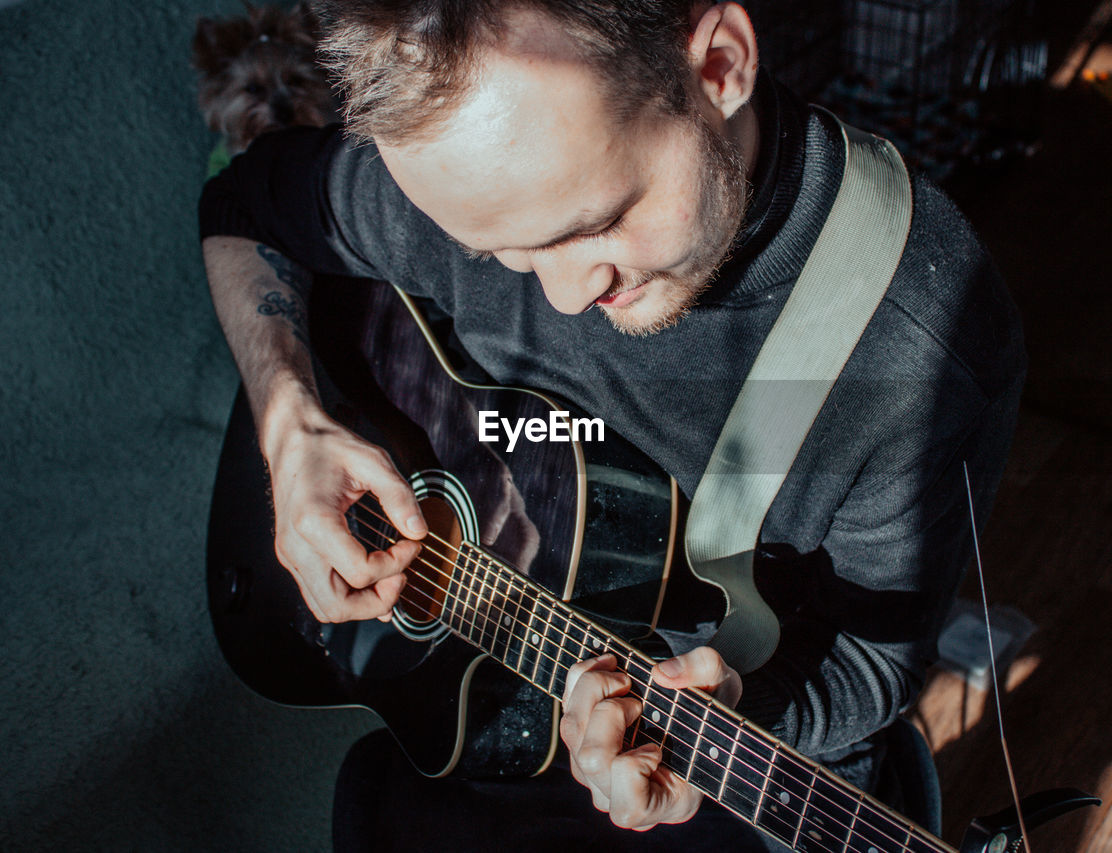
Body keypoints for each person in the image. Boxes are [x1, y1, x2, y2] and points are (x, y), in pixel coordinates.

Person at [198, 1, 1026, 849]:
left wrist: (721, 719)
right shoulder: (478, 173)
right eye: (499, 256)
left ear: (720, 68)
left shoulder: (918, 350)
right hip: (485, 699)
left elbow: (869, 665)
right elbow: (240, 209)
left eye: (591, 223)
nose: (561, 296)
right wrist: (289, 424)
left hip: (735, 746)